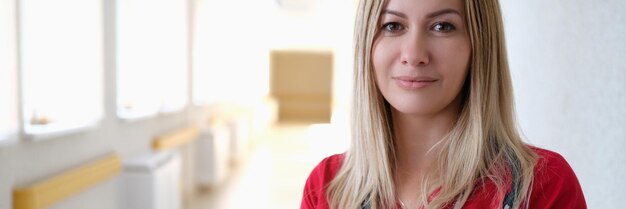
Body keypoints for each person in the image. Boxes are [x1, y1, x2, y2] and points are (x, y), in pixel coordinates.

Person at [300, 0, 587, 208]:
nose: (414, 54)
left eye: (442, 26)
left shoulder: (543, 187)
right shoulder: (326, 188)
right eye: (393, 25)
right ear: (367, 45)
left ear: (480, 44)